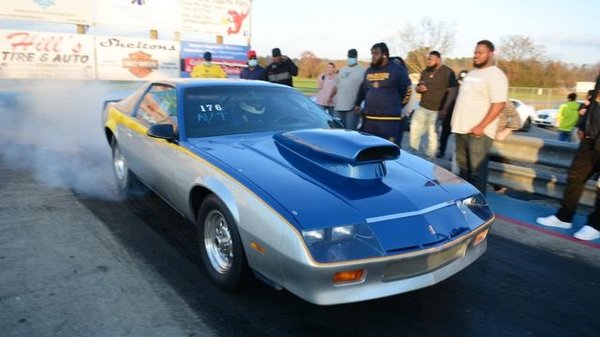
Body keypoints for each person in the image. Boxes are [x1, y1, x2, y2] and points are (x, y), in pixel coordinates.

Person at [536, 74, 600, 241]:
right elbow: (594, 103)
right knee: (574, 177)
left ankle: (595, 225)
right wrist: (582, 124)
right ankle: (564, 218)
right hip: (589, 139)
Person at [450, 40, 508, 194]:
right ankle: (466, 203)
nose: (476, 55)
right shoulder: (472, 73)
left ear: (491, 54)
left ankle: (478, 210)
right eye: (475, 52)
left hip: (478, 133)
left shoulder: (496, 74)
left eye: (480, 52)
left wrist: (481, 126)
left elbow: (499, 103)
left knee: (477, 173)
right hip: (461, 129)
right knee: (463, 172)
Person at [354, 42, 411, 143]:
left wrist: (397, 105)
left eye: (376, 54)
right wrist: (358, 103)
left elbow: (407, 90)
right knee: (370, 149)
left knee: (387, 150)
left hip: (389, 120)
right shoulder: (369, 71)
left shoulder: (397, 70)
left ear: (384, 55)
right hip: (370, 119)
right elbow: (364, 89)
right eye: (372, 54)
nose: (373, 57)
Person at [410, 51, 458, 158]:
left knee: (433, 134)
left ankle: (430, 156)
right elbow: (419, 86)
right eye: (428, 59)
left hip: (437, 109)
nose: (428, 61)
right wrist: (419, 88)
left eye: (431, 59)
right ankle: (413, 150)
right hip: (423, 107)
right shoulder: (425, 72)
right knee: (414, 128)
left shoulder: (447, 72)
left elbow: (453, 91)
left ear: (438, 60)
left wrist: (445, 108)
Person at [330, 48, 365, 130]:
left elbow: (364, 89)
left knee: (350, 131)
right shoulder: (343, 69)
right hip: (338, 107)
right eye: (349, 56)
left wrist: (359, 104)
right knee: (337, 130)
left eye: (352, 56)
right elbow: (336, 85)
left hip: (352, 108)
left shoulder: (362, 70)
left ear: (356, 57)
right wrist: (330, 97)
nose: (350, 58)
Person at [437, 70, 468, 158]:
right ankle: (441, 151)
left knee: (459, 137)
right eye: (461, 78)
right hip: (450, 113)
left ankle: (455, 155)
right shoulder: (453, 87)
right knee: (444, 134)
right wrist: (443, 110)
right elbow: (445, 98)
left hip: (462, 116)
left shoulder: (469, 88)